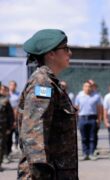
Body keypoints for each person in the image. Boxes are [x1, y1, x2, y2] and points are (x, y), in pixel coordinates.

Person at [17, 29, 78, 179]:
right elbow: (34, 135)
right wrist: (42, 174)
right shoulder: (42, 83)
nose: (70, 53)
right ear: (51, 54)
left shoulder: (50, 82)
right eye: (65, 49)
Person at [74, 81, 102, 161]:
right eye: (86, 86)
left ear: (91, 87)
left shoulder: (96, 96)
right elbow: (76, 107)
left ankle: (91, 153)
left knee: (92, 138)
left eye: (89, 86)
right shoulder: (79, 96)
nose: (87, 88)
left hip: (92, 118)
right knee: (84, 138)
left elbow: (99, 109)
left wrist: (99, 119)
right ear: (83, 87)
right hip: (82, 118)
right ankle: (85, 153)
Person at [4, 80, 20, 164]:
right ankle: (5, 154)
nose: (12, 87)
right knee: (7, 136)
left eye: (14, 85)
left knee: (16, 133)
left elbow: (18, 107)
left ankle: (10, 151)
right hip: (6, 117)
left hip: (15, 116)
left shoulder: (18, 95)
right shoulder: (6, 95)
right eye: (11, 85)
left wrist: (16, 118)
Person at [0, 82, 14, 171]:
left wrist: (10, 127)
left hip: (2, 127)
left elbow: (10, 115)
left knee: (1, 145)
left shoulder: (5, 100)